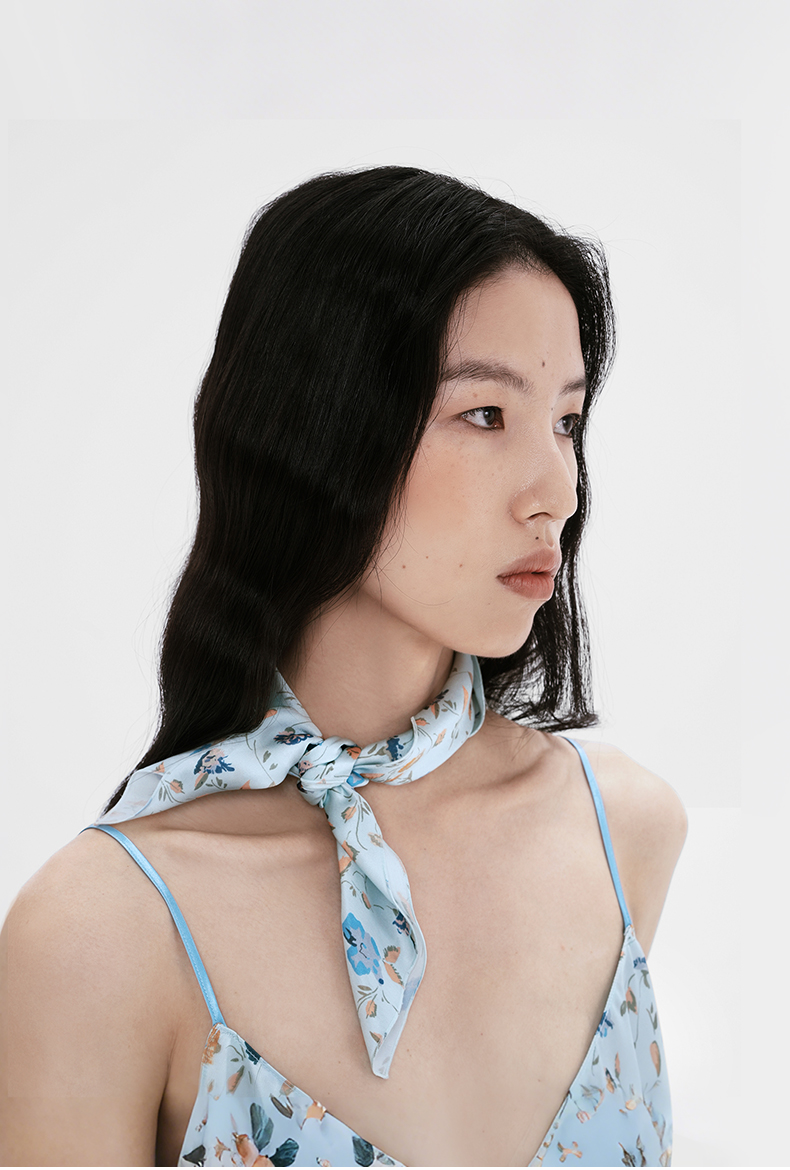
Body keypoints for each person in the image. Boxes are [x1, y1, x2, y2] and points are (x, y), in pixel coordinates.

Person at [0, 166, 687, 1167]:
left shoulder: (623, 828)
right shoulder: (102, 931)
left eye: (567, 421)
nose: (557, 490)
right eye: (486, 415)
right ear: (316, 426)